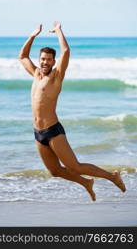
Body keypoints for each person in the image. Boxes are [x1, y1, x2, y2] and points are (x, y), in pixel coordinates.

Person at [18, 21, 126, 201]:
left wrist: (59, 31)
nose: (45, 62)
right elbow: (22, 56)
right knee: (54, 171)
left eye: (49, 59)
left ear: (54, 61)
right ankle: (86, 183)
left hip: (53, 131)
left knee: (74, 166)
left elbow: (66, 52)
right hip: (38, 132)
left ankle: (112, 176)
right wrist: (32, 36)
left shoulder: (56, 77)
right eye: (43, 59)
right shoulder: (36, 74)